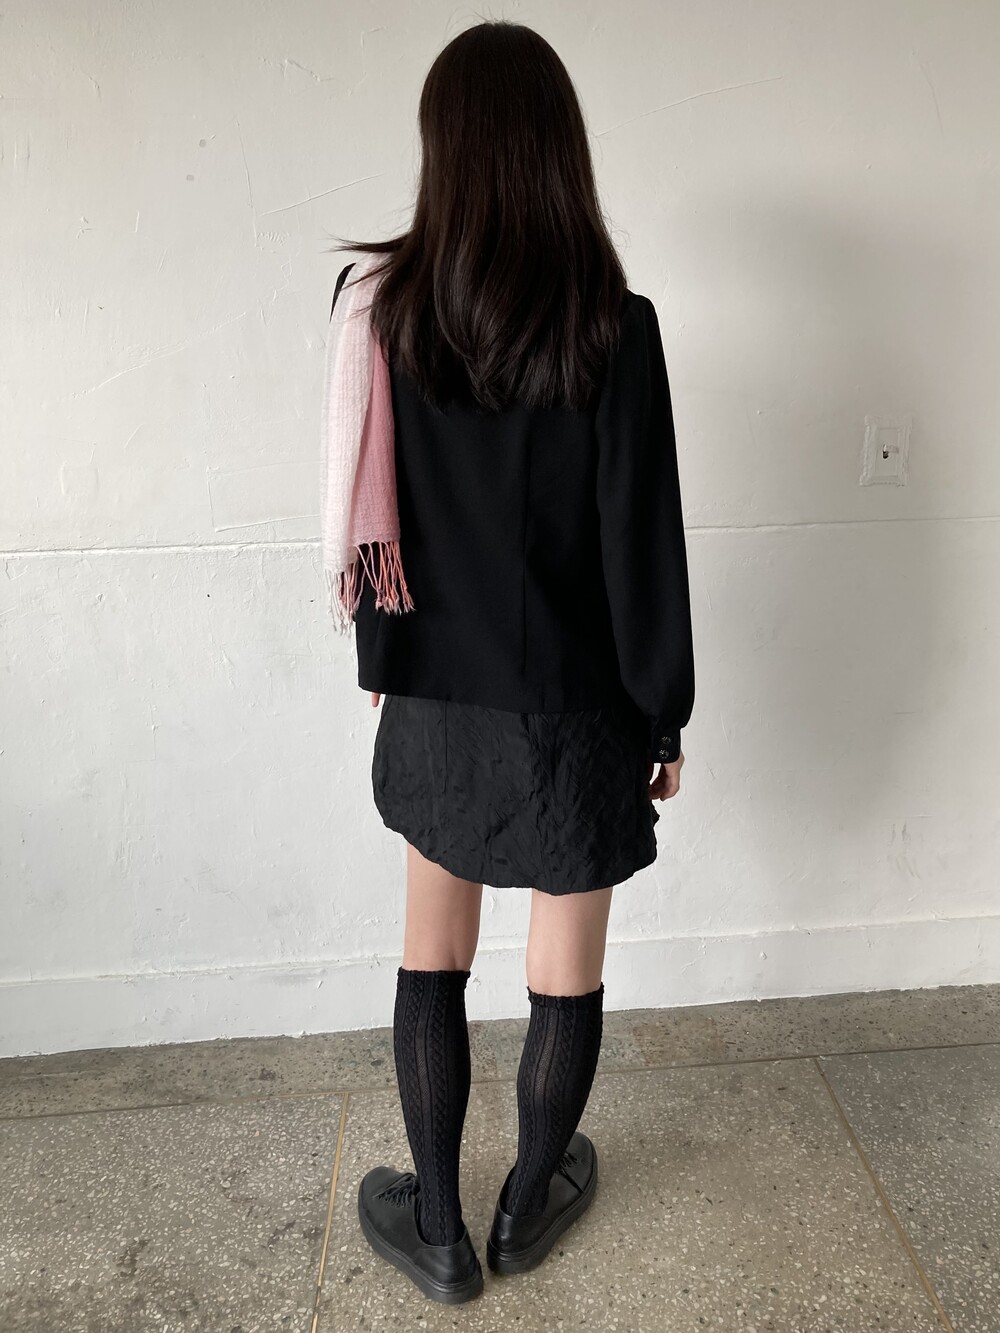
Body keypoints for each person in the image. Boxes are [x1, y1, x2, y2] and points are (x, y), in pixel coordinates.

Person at [324, 18, 695, 1306]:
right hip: (576, 708)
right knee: (564, 969)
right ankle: (530, 1200)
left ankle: (437, 1228)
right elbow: (642, 542)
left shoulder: (391, 317)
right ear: (557, 154)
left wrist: (386, 662)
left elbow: (373, 513)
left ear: (445, 151)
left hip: (437, 694)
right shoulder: (614, 328)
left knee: (432, 954)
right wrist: (662, 713)